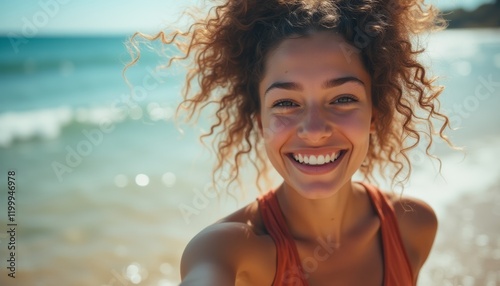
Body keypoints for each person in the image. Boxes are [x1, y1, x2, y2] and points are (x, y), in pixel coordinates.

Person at [129, 0, 453, 284]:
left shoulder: (414, 226)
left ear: (374, 115)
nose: (313, 130)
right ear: (260, 122)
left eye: (342, 98)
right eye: (285, 103)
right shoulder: (227, 250)